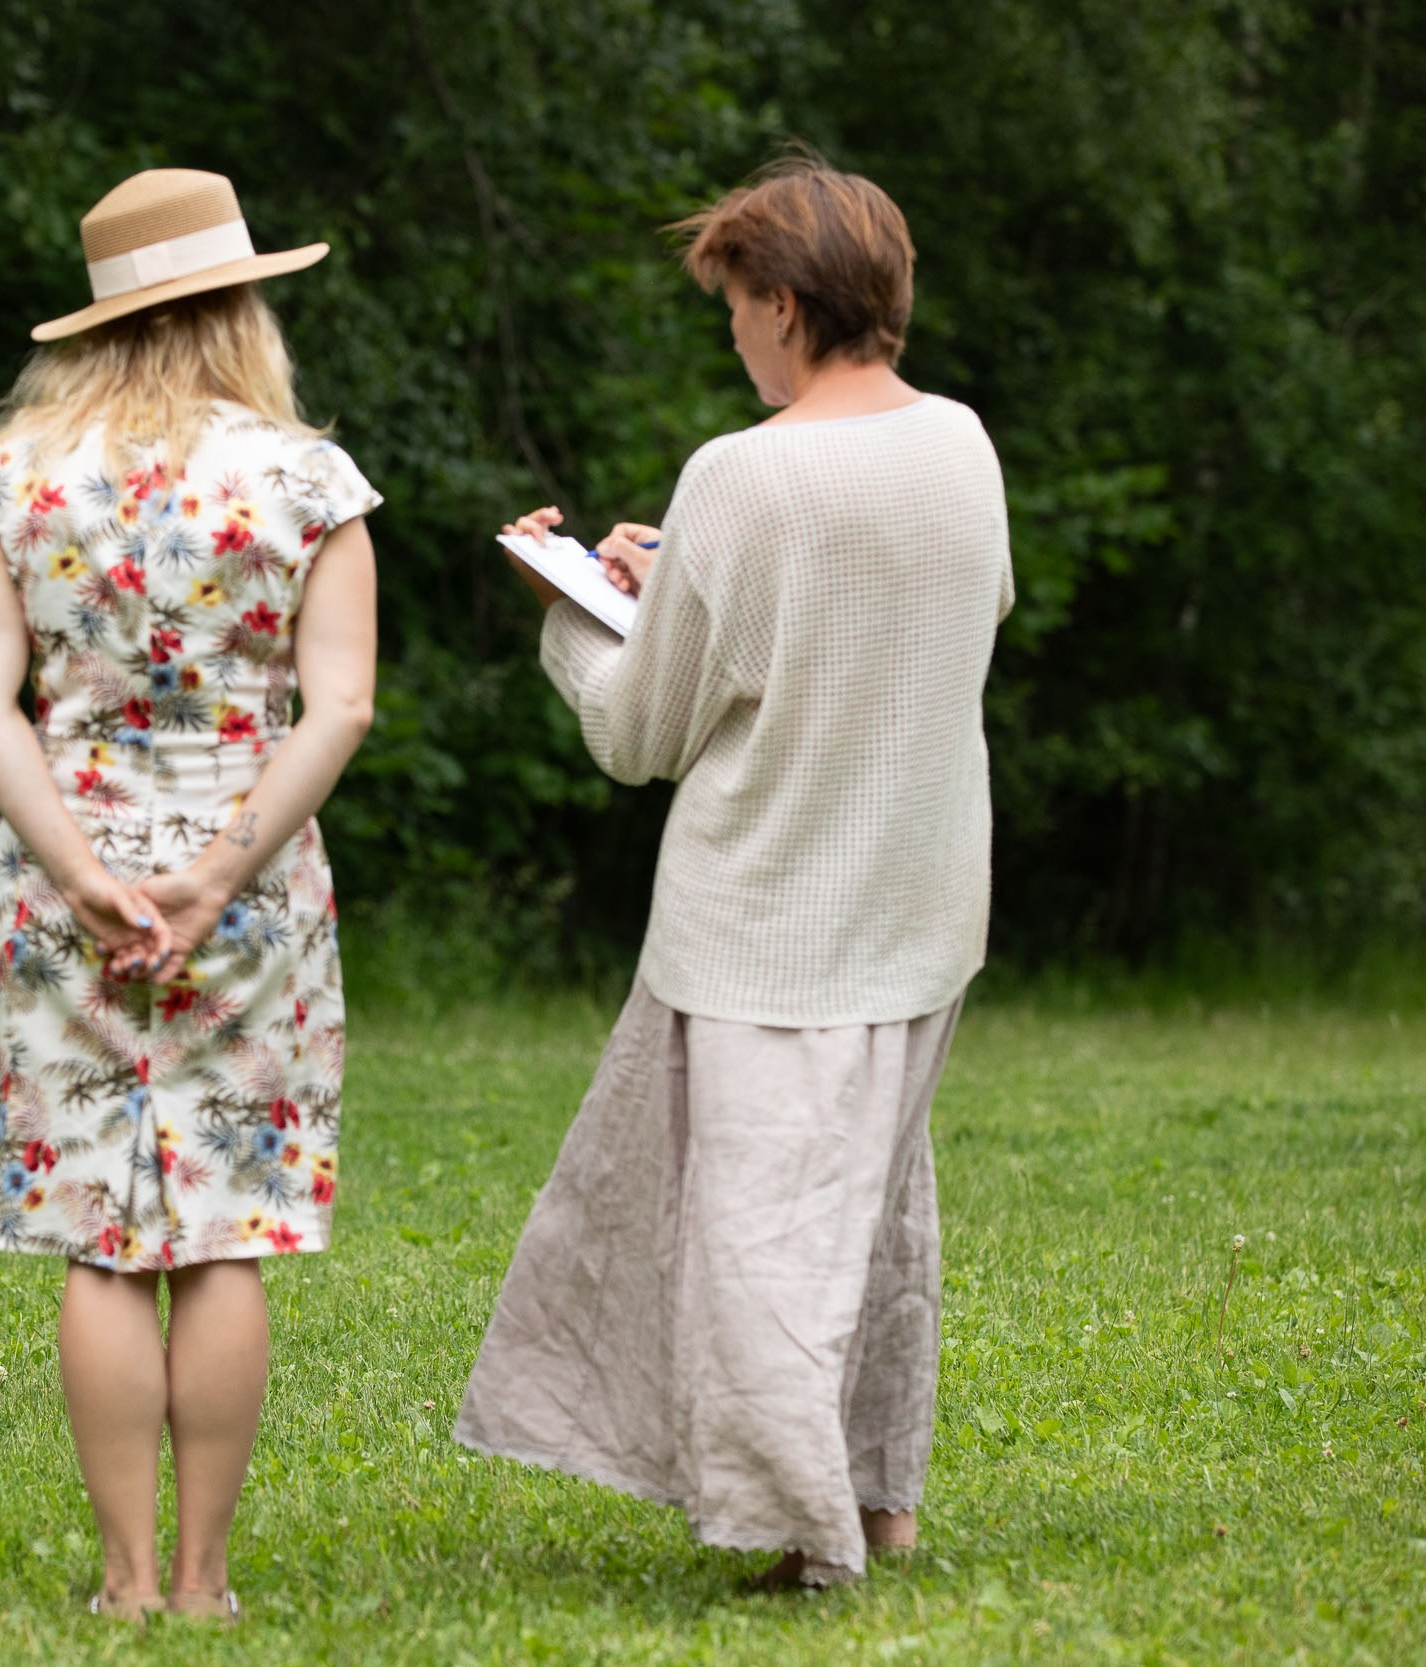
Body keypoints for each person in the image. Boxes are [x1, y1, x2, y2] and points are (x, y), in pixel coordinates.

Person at [454, 154, 1015, 1589]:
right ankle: (878, 1499)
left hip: (775, 927)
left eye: (733, 307)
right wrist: (679, 584)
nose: (732, 334)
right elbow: (921, 624)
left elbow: (641, 733)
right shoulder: (962, 441)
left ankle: (814, 1543)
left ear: (781, 301)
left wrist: (572, 615)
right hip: (922, 905)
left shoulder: (742, 475)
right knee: (878, 1219)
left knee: (760, 1246)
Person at [0, 168, 380, 1622]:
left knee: (99, 1235)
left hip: (62, 861)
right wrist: (211, 873)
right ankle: (205, 1582)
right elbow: (340, 708)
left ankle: (125, 1580)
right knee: (224, 1228)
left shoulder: (15, 481)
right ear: (240, 302)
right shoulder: (308, 482)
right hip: (249, 871)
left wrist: (79, 868)